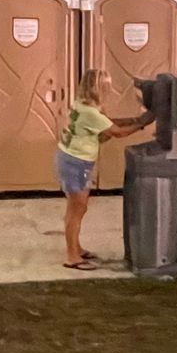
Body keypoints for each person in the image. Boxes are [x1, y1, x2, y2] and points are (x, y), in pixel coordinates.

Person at [54, 68, 151, 270]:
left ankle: (76, 248)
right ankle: (72, 257)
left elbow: (108, 124)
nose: (109, 90)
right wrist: (142, 122)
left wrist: (135, 120)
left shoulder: (82, 105)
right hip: (75, 163)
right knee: (76, 210)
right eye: (106, 86)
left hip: (71, 160)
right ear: (99, 88)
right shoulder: (91, 113)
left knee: (78, 208)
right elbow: (117, 132)